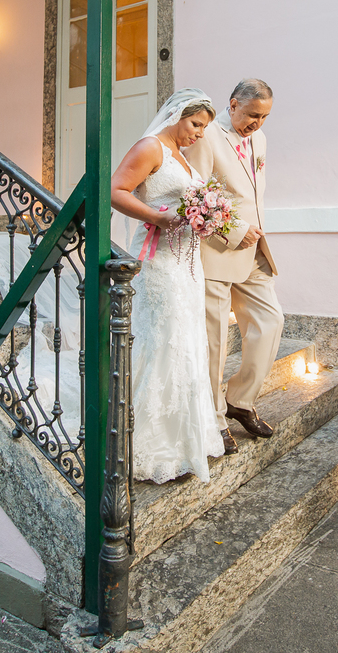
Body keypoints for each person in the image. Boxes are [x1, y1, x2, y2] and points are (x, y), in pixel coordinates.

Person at [111, 88, 226, 482]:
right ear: (177, 114)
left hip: (187, 263)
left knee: (186, 340)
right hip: (158, 261)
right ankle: (150, 439)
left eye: (204, 128)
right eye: (196, 124)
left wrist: (208, 218)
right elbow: (116, 190)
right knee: (164, 338)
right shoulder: (151, 147)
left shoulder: (183, 156)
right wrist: (156, 217)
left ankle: (184, 437)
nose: (199, 133)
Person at [184, 78, 283, 455]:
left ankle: (240, 400)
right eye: (253, 114)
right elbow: (193, 195)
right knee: (215, 341)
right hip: (217, 250)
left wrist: (251, 233)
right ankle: (213, 418)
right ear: (233, 104)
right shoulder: (206, 136)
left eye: (265, 116)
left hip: (255, 250)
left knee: (270, 321)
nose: (258, 123)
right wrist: (233, 231)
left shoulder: (260, 139)